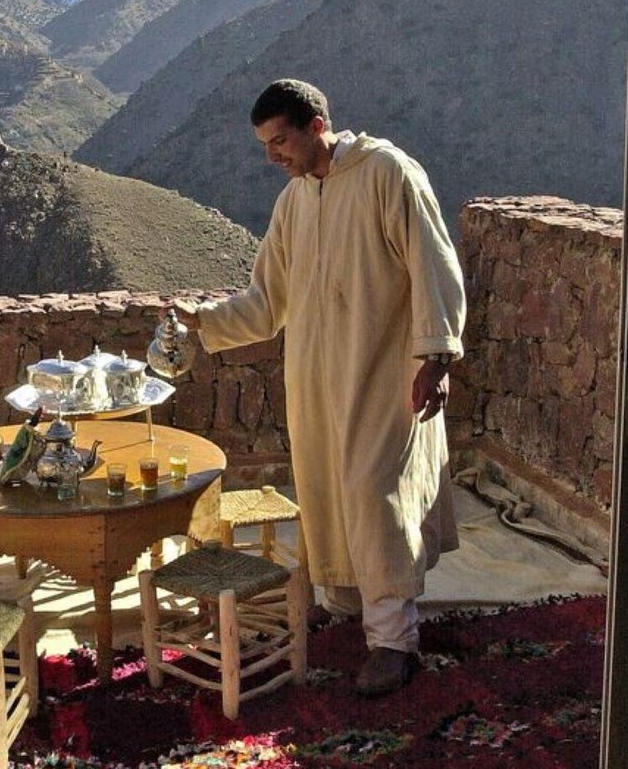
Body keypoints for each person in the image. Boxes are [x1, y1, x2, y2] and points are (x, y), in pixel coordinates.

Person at [172, 78, 465, 697]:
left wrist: (435, 359)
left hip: (385, 376)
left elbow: (434, 265)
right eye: (264, 144)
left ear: (316, 125)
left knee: (374, 498)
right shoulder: (293, 203)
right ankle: (343, 604)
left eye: (279, 140)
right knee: (328, 491)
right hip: (315, 379)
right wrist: (205, 320)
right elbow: (267, 299)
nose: (271, 156)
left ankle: (395, 643)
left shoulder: (389, 174)